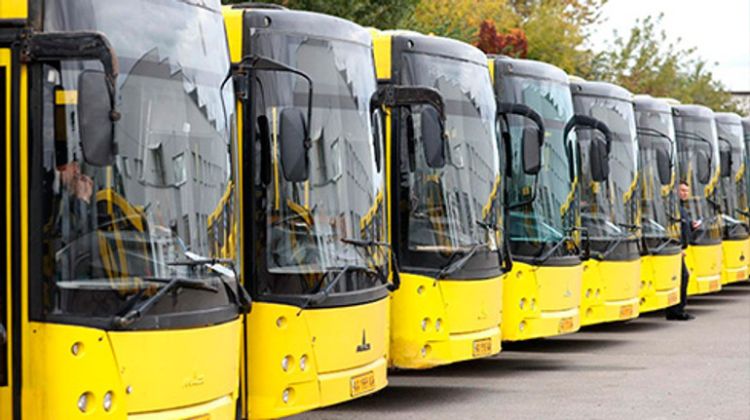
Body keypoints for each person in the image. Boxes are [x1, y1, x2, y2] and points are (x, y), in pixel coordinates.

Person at [666, 180, 696, 320]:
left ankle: (676, 310)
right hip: (676, 249)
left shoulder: (682, 209)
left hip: (680, 249)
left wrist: (692, 226)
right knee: (682, 277)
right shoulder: (674, 208)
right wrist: (678, 248)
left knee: (680, 277)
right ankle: (676, 310)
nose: (685, 193)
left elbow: (683, 227)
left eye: (687, 191)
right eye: (682, 190)